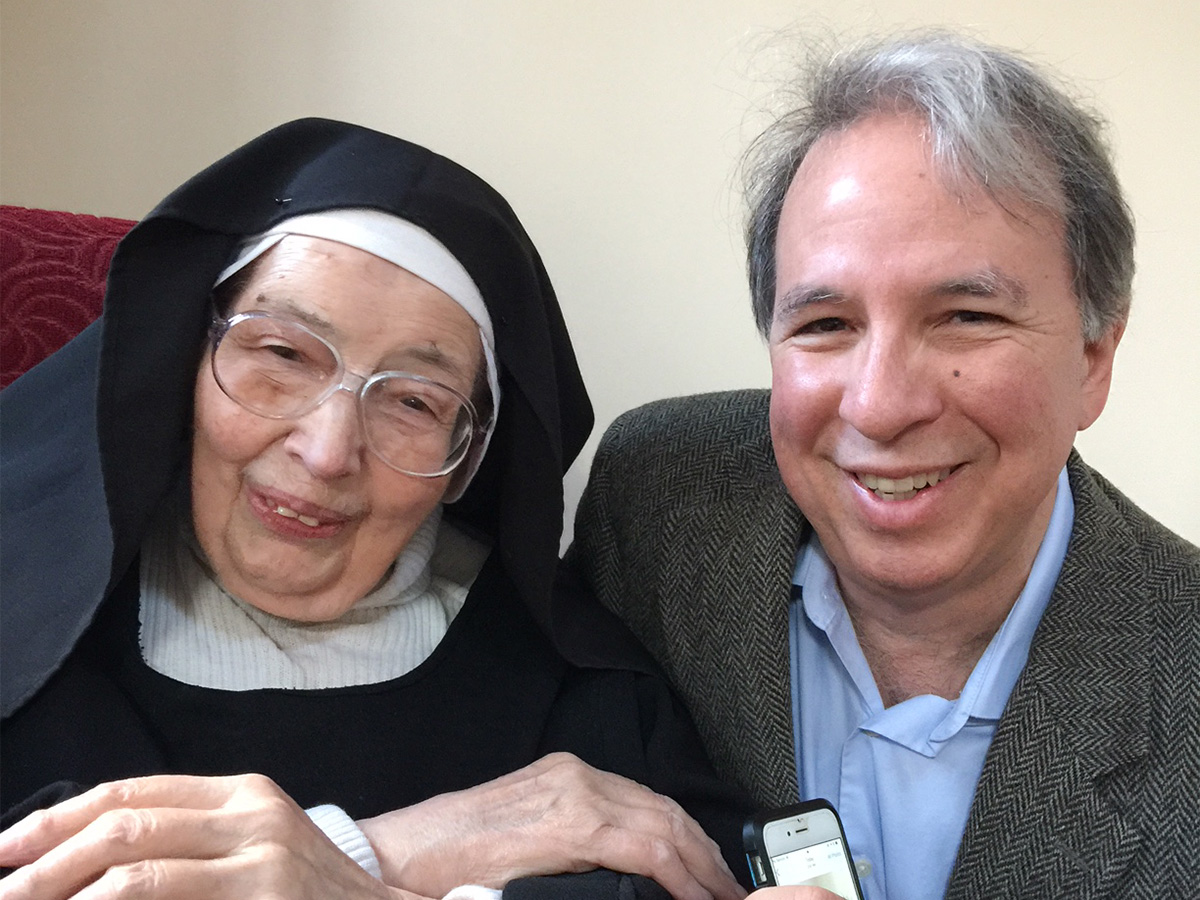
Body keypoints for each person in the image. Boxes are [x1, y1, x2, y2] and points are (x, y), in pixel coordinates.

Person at [0, 118, 752, 900]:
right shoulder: (19, 616)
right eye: (283, 355)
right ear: (190, 358)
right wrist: (372, 853)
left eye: (414, 403)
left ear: (470, 456)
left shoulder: (582, 711)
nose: (327, 453)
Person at [569, 31, 1200, 900]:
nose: (879, 404)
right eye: (825, 324)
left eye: (966, 316)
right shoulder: (659, 507)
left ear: (1094, 358)